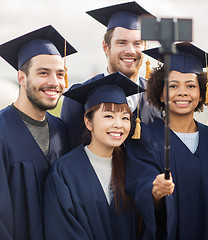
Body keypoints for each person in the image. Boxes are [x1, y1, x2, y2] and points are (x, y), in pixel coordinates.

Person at [125, 43, 208, 240]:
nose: (182, 92)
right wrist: (156, 192)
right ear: (160, 93)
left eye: (191, 86)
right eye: (173, 86)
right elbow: (140, 193)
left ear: (201, 93)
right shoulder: (145, 139)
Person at [43, 72, 150, 239]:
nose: (118, 125)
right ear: (88, 122)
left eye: (125, 118)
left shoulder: (133, 167)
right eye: (108, 116)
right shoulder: (64, 172)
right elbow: (62, 230)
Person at [0, 25, 77, 240]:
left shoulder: (61, 130)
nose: (54, 82)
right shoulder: (2, 132)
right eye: (43, 73)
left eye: (60, 74)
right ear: (22, 78)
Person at [61, 1, 163, 150]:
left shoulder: (158, 95)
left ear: (145, 47)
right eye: (121, 43)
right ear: (106, 47)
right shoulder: (80, 98)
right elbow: (69, 155)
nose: (130, 51)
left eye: (137, 43)